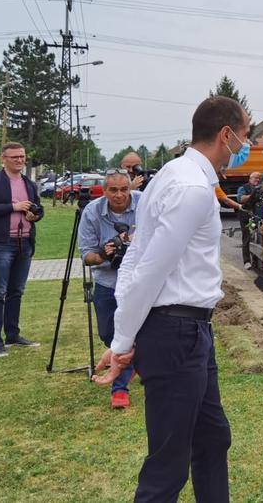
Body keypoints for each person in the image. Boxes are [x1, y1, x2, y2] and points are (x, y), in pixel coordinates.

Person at [93, 96, 251, 501]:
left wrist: (125, 334)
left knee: (213, 438)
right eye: (246, 136)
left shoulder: (173, 173)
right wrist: (122, 343)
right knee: (168, 463)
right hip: (176, 331)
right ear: (226, 135)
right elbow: (149, 268)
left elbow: (136, 258)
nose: (247, 146)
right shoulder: (191, 188)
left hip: (191, 330)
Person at [78, 169, 142, 407]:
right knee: (108, 333)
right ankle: (134, 363)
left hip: (138, 282)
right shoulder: (92, 212)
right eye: (113, 190)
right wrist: (104, 254)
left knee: (135, 333)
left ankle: (120, 388)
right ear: (104, 191)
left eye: (124, 189)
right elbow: (86, 256)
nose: (119, 195)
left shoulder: (144, 204)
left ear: (130, 188)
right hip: (107, 280)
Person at [0, 142, 44, 357]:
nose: (19, 160)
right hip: (0, 243)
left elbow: (38, 208)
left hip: (24, 242)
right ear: (3, 158)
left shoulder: (29, 183)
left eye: (22, 156)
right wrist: (14, 207)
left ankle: (13, 335)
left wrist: (35, 215)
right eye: (14, 157)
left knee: (16, 291)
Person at [236, 171, 263, 269]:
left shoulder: (261, 188)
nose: (257, 180)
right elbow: (240, 199)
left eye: (259, 178)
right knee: (246, 237)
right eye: (256, 178)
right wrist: (252, 196)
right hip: (245, 216)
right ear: (250, 178)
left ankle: (256, 260)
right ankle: (246, 261)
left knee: (259, 237)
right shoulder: (243, 188)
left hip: (258, 216)